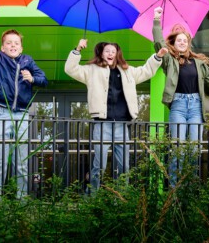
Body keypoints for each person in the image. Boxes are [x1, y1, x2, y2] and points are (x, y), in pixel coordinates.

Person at [65, 39, 167, 191]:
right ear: (101, 53)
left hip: (122, 125)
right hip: (102, 124)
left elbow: (146, 71)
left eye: (113, 51)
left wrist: (157, 57)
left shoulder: (127, 71)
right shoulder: (91, 70)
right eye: (107, 51)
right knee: (99, 165)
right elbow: (70, 69)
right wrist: (77, 49)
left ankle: (121, 198)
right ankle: (92, 197)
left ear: (117, 54)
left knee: (124, 166)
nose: (110, 53)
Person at [0, 5, 48, 198]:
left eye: (16, 43)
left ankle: (20, 203)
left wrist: (33, 79)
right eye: (9, 43)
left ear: (21, 47)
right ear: (3, 47)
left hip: (22, 115)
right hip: (1, 112)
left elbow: (43, 79)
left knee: (21, 161)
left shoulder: (28, 61)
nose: (13, 45)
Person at [153, 6, 209, 186]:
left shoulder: (198, 64)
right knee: (178, 150)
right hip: (179, 106)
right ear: (173, 44)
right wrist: (157, 20)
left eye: (185, 40)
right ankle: (175, 193)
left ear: (188, 42)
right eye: (179, 40)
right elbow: (159, 43)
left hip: (196, 107)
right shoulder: (170, 61)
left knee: (194, 151)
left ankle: (188, 192)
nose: (182, 43)